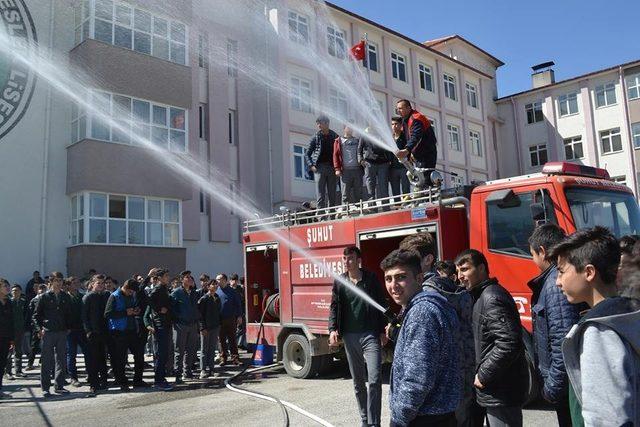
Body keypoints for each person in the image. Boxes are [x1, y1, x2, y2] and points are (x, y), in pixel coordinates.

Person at [551, 227, 640, 426]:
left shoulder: (598, 330)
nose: (557, 282)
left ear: (589, 272)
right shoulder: (628, 313)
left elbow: (607, 417)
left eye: (562, 272)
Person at [399, 233, 476, 426]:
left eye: (411, 258)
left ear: (428, 259)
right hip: (462, 383)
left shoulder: (425, 297)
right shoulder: (451, 288)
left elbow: (419, 372)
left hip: (437, 400)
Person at [380, 250, 460, 426]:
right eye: (388, 279)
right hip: (439, 415)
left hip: (424, 418)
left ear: (419, 278)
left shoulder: (421, 313)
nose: (393, 286)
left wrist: (399, 418)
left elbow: (417, 378)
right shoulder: (429, 305)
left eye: (401, 277)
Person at [455, 250, 527, 427]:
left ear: (481, 268)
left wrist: (483, 374)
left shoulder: (491, 297)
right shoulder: (480, 295)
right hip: (495, 389)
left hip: (501, 390)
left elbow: (509, 343)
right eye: (458, 271)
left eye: (464, 269)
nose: (460, 276)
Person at [527, 224, 581, 426]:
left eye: (532, 255)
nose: (533, 261)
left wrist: (552, 387)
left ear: (542, 251)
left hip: (565, 386)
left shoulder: (554, 285)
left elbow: (562, 339)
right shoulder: (556, 279)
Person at [328, 246, 388, 427]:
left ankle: (374, 422)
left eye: (351, 258)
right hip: (349, 336)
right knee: (358, 382)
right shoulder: (340, 281)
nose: (347, 262)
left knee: (375, 379)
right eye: (344, 259)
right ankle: (364, 420)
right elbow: (334, 307)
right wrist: (332, 329)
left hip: (370, 334)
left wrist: (382, 329)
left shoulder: (370, 278)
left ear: (359, 260)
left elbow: (380, 302)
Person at [33, 271, 73, 397]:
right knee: (46, 361)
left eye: (61, 281)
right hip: (48, 332)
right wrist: (39, 329)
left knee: (61, 360)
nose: (59, 283)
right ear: (50, 282)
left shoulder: (66, 297)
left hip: (61, 332)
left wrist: (68, 328)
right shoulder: (44, 297)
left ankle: (59, 386)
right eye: (56, 281)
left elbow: (69, 315)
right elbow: (35, 316)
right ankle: (45, 388)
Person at [105, 279, 145, 391]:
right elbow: (108, 314)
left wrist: (135, 311)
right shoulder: (114, 296)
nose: (131, 293)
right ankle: (122, 381)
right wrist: (125, 313)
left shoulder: (131, 296)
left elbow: (132, 309)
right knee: (120, 359)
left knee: (139, 355)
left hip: (132, 330)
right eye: (131, 291)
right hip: (119, 332)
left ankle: (138, 381)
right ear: (126, 287)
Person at [144, 268, 174, 391]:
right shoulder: (157, 288)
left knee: (164, 353)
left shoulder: (164, 289)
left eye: (168, 275)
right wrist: (158, 309)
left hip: (165, 323)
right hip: (159, 324)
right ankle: (158, 380)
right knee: (161, 353)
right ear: (160, 278)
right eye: (166, 276)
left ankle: (161, 377)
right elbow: (148, 300)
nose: (168, 278)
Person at [82, 275, 109, 397]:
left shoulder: (105, 296)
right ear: (92, 284)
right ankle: (93, 384)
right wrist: (88, 331)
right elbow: (84, 317)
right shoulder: (88, 297)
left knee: (102, 359)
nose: (101, 285)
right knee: (92, 360)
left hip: (103, 332)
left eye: (102, 283)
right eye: (98, 283)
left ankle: (104, 381)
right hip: (92, 333)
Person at [305, 115, 340, 210]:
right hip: (319, 168)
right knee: (320, 194)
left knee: (332, 193)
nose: (319, 125)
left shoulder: (335, 137)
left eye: (320, 123)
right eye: (317, 124)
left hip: (332, 168)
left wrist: (338, 168)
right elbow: (307, 153)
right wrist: (311, 166)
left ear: (327, 123)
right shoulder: (315, 137)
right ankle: (321, 216)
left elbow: (340, 153)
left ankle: (332, 215)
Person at [171, 271, 200, 383]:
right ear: (182, 280)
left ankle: (187, 372)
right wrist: (178, 320)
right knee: (179, 350)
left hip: (192, 325)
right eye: (187, 277)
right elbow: (172, 309)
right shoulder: (176, 292)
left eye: (190, 277)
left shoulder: (193, 293)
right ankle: (178, 374)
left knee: (191, 350)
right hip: (181, 325)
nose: (190, 279)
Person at [395, 99, 437, 170]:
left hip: (426, 154)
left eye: (400, 108)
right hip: (418, 155)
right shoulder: (405, 120)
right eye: (397, 109)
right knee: (418, 178)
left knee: (425, 177)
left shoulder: (416, 118)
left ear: (408, 108)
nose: (398, 111)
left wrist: (407, 150)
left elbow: (416, 136)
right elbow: (408, 138)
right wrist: (410, 153)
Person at [358, 128, 391, 210]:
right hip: (369, 163)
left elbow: (388, 147)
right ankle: (372, 208)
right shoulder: (364, 134)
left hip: (383, 163)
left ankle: (386, 207)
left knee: (383, 186)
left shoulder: (383, 133)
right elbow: (359, 148)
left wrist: (389, 159)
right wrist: (361, 160)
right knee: (370, 186)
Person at [215, 274, 242, 366]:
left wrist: (239, 316)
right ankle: (223, 358)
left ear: (224, 280)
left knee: (232, 339)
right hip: (219, 319)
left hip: (231, 319)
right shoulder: (216, 292)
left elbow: (238, 304)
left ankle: (235, 358)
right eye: (217, 279)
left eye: (219, 279)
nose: (217, 281)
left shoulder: (232, 291)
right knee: (221, 340)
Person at [66, 276, 88, 387]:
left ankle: (90, 374)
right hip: (69, 331)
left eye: (77, 282)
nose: (76, 284)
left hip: (81, 329)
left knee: (87, 352)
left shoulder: (82, 297)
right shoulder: (65, 297)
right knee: (71, 354)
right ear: (68, 285)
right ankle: (73, 377)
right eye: (73, 283)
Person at [333, 124, 364, 204]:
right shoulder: (338, 141)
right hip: (345, 171)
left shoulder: (357, 140)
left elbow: (361, 152)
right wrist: (337, 169)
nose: (351, 129)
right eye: (349, 127)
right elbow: (335, 155)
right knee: (345, 193)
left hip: (357, 170)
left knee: (358, 192)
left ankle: (359, 209)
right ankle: (345, 211)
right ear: (344, 128)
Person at [197, 279, 221, 379]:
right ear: (208, 287)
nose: (215, 286)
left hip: (215, 327)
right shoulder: (204, 299)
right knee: (204, 349)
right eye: (213, 285)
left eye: (216, 285)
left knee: (212, 349)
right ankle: (203, 370)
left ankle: (211, 369)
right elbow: (200, 315)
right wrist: (202, 328)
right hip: (206, 328)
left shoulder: (217, 297)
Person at [7, 284, 27, 379]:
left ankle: (18, 370)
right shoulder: (8, 302)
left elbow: (26, 315)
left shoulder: (23, 302)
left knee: (18, 351)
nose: (15, 292)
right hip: (10, 331)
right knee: (9, 352)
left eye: (17, 290)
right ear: (11, 292)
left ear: (20, 292)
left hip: (20, 330)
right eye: (14, 290)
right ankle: (8, 372)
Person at [389, 116, 410, 204]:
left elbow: (409, 149)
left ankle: (406, 204)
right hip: (393, 168)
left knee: (405, 188)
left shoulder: (405, 137)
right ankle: (397, 205)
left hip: (404, 167)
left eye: (396, 124)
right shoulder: (390, 137)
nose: (394, 126)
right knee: (395, 189)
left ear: (401, 125)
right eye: (392, 124)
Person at [26, 283, 47, 370]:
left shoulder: (47, 299)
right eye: (40, 290)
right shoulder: (34, 300)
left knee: (46, 345)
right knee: (34, 345)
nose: (41, 291)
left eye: (43, 289)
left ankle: (42, 362)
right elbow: (31, 314)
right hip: (36, 326)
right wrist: (36, 327)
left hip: (46, 325)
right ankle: (30, 363)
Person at [0, 279, 14, 397]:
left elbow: (11, 321)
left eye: (8, 286)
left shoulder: (9, 302)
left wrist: (12, 338)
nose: (7, 288)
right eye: (5, 286)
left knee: (2, 363)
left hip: (5, 337)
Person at [229, 273, 246, 350]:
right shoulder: (228, 289)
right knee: (233, 329)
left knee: (242, 329)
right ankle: (229, 342)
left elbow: (243, 299)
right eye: (233, 280)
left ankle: (238, 343)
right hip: (231, 313)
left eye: (236, 280)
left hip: (240, 312)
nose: (234, 282)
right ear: (230, 281)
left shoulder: (240, 288)